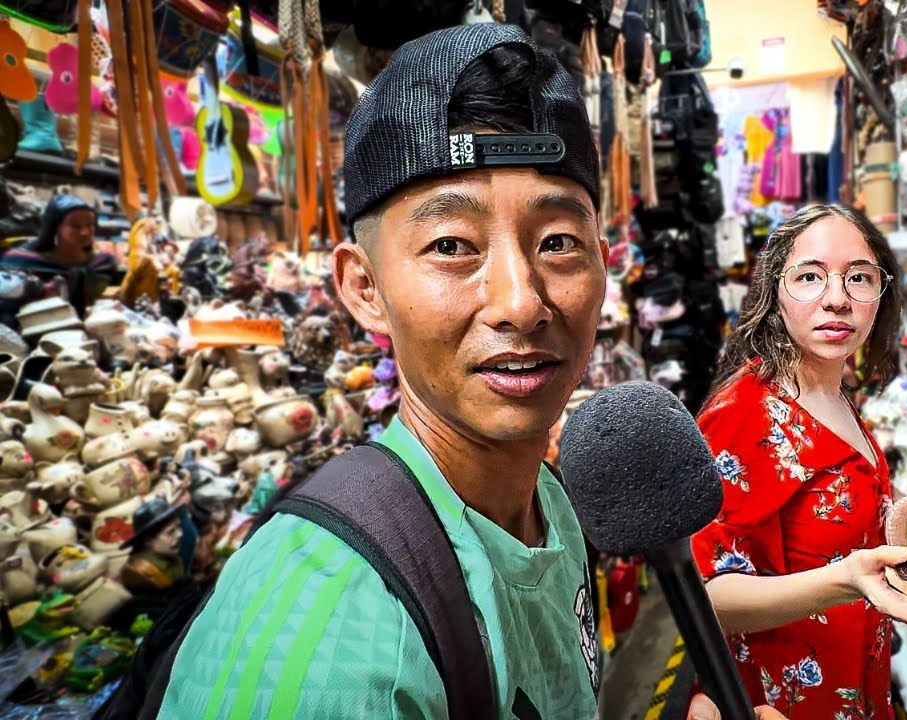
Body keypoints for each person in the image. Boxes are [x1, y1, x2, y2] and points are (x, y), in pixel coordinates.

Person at [152, 24, 783, 720]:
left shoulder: (553, 511)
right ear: (364, 288)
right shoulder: (333, 640)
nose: (520, 302)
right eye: (451, 245)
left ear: (603, 266)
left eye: (558, 243)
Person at [691, 204, 907, 719]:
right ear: (777, 292)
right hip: (779, 703)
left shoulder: (837, 392)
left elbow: (838, 533)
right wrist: (846, 581)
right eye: (810, 277)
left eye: (858, 278)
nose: (837, 298)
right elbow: (706, 598)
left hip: (855, 684)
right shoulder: (746, 415)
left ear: (880, 293)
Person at [0, 194, 119, 316]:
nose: (84, 232)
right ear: (55, 226)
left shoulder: (103, 263)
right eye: (75, 226)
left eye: (90, 225)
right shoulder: (21, 262)